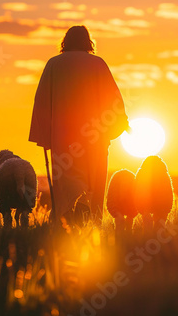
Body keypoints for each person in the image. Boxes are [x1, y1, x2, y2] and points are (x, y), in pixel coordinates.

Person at [29, 25, 129, 223]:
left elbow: (41, 101)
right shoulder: (98, 64)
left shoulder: (54, 65)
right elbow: (113, 99)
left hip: (63, 139)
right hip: (94, 138)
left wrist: (45, 136)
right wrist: (120, 124)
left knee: (66, 181)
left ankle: (63, 222)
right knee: (94, 179)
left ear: (66, 41)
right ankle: (91, 222)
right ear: (88, 41)